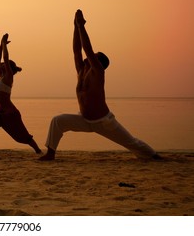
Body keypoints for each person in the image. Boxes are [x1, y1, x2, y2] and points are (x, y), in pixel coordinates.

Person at [39, 10, 161, 161]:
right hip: (84, 119)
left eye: (93, 57)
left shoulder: (97, 72)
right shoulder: (81, 71)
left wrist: (82, 26)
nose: (87, 58)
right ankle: (50, 154)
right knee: (58, 121)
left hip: (103, 122)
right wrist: (75, 27)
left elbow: (87, 49)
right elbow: (76, 51)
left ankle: (154, 156)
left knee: (132, 143)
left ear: (98, 63)